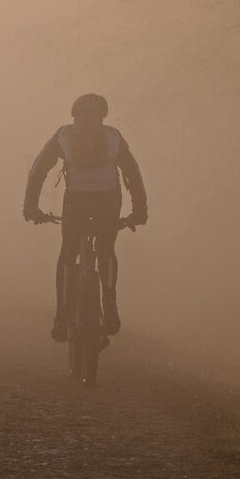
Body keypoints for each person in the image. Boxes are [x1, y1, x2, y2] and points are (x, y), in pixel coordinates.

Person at [24, 93, 148, 341]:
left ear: (74, 115)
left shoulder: (64, 135)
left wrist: (31, 207)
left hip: (76, 203)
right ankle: (110, 306)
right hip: (108, 202)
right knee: (106, 249)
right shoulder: (113, 136)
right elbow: (133, 173)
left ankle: (61, 317)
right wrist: (139, 211)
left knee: (68, 253)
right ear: (103, 116)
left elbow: (39, 169)